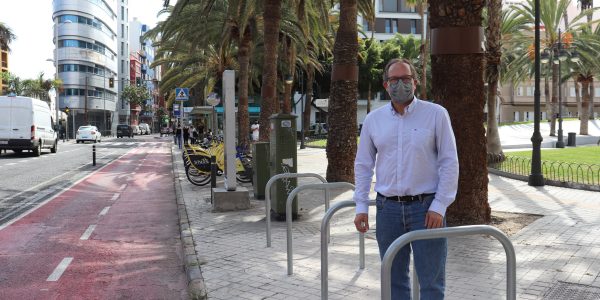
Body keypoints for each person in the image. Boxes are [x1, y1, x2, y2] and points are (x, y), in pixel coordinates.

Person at [353, 58, 459, 299]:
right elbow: (363, 165)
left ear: (416, 82)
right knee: (394, 281)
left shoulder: (436, 114)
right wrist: (361, 206)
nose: (400, 84)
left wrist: (439, 206)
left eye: (405, 79)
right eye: (394, 80)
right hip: (387, 210)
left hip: (427, 210)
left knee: (431, 282)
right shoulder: (373, 120)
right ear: (385, 85)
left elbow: (449, 162)